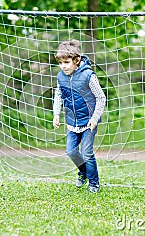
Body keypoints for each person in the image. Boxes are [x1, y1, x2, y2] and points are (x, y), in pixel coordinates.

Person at [53, 39, 106, 193]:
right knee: (71, 151)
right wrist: (56, 113)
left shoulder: (88, 75)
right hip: (72, 122)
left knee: (87, 152)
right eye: (61, 63)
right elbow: (58, 95)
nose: (63, 66)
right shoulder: (60, 77)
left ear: (76, 61)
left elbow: (101, 98)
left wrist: (95, 118)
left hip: (89, 122)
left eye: (67, 62)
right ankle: (83, 171)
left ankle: (94, 182)